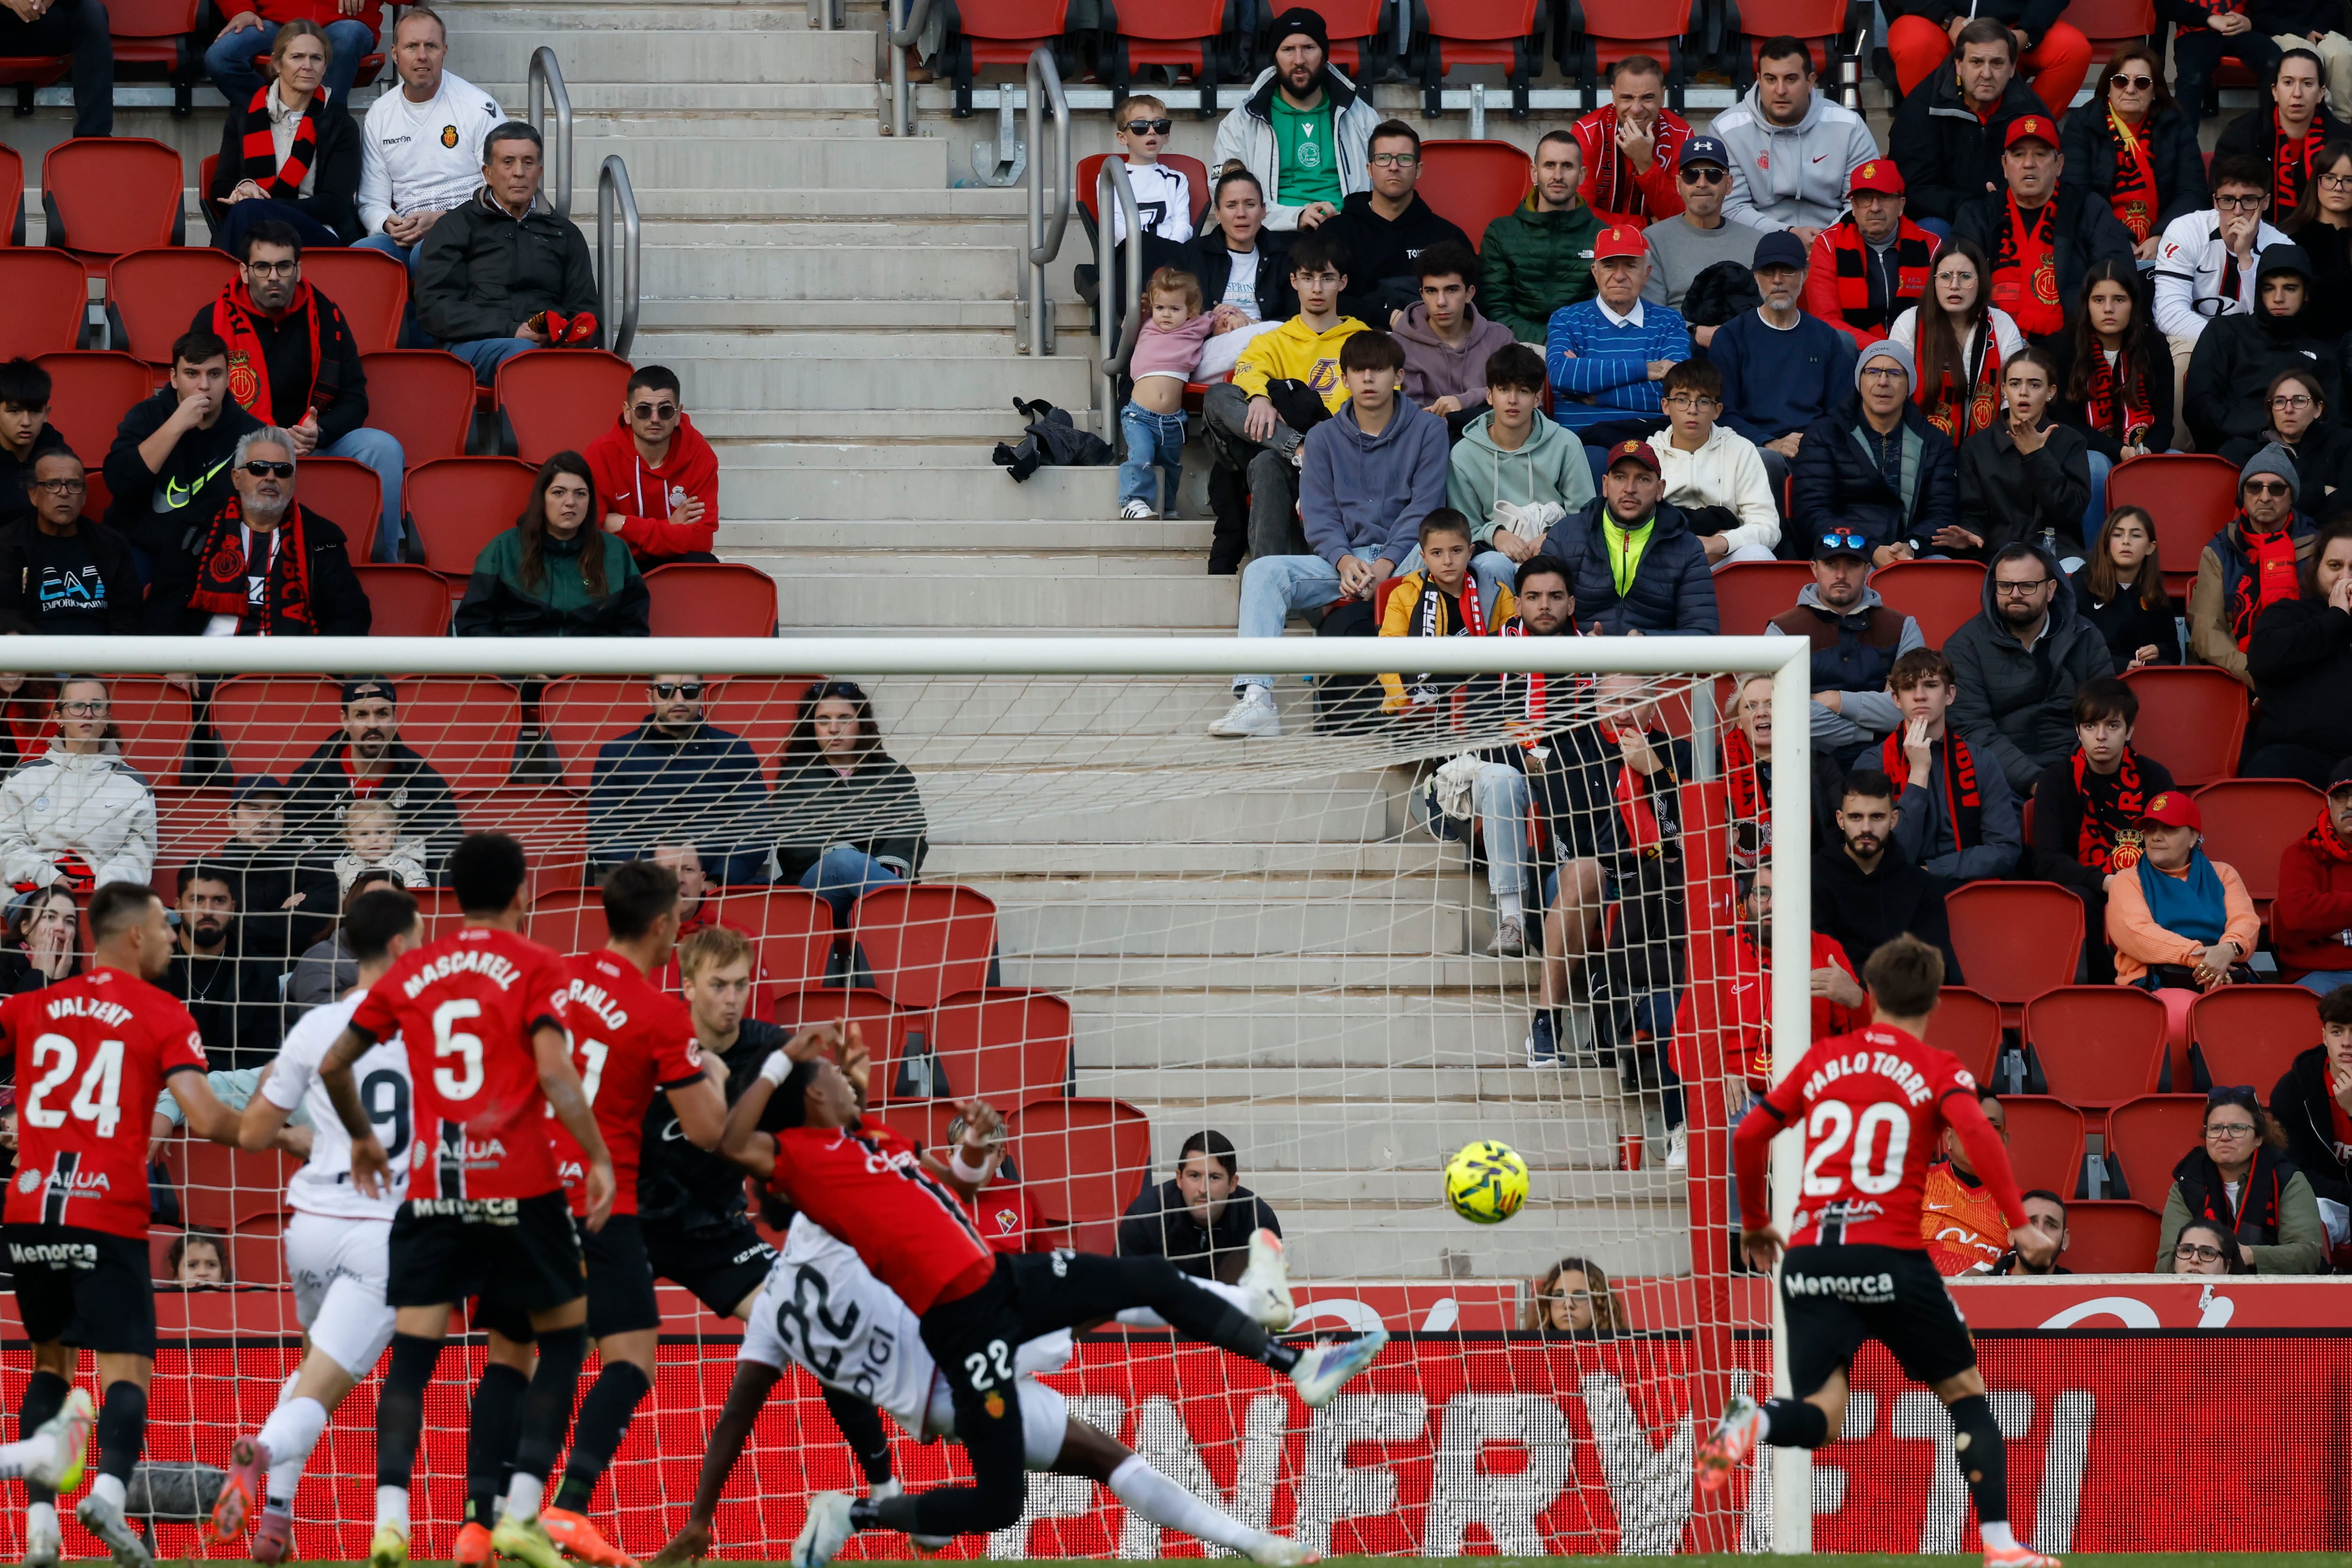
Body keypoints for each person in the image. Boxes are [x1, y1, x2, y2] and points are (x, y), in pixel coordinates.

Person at [719, 1029, 1383, 1563]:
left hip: (1000, 1283)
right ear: (810, 1101)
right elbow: (728, 1142)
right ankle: (858, 1512)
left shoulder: (872, 1145)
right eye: (831, 1074)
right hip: (961, 1337)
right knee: (1001, 1504)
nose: (844, 1073)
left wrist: (975, 1150)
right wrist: (782, 1059)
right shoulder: (811, 1175)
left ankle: (1292, 1361)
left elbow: (957, 1187)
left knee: (1142, 1278)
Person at [1699, 934, 2059, 1568]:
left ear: (1867, 985)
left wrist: (1755, 1220)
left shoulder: (1823, 1059)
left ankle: (1754, 1418)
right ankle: (2001, 1545)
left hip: (1810, 1255)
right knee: (1966, 1393)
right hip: (1889, 1253)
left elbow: (1752, 1130)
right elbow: (1976, 1126)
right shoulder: (1937, 1066)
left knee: (1821, 1417)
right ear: (1936, 997)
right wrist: (2015, 1220)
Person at [311, 832, 613, 1568]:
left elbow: (334, 1063)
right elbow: (555, 1073)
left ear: (451, 896)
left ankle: (391, 1523)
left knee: (413, 1361)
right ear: (522, 894)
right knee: (566, 1339)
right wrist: (597, 1154)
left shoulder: (415, 971)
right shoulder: (538, 963)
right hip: (520, 1186)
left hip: (434, 1189)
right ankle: (519, 1513)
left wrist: (361, 1137)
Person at [0, 882, 247, 1567]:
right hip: (106, 1210)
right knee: (126, 1368)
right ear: (132, 935)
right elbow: (204, 1116)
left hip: (28, 1212)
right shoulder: (164, 1013)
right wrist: (278, 1135)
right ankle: (108, 1493)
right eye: (165, 927)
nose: (175, 935)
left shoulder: (30, 1006)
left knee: (50, 1365)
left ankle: (40, 1526)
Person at [492, 862, 725, 1562]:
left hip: (526, 1190)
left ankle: (494, 1515)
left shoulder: (554, 975)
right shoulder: (660, 1015)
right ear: (663, 927)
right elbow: (709, 1133)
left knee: (517, 1355)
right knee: (629, 1358)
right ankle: (566, 1507)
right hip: (602, 1200)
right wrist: (717, 1072)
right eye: (680, 919)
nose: (683, 931)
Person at [206, 886, 423, 1566]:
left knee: (310, 1368)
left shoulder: (314, 1026)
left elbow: (252, 1133)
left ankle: (275, 1518)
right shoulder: (435, 1025)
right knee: (321, 1390)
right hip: (383, 1231)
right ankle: (261, 1453)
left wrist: (313, 1144)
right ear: (400, 945)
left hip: (308, 1227)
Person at [1207, 331, 1448, 739]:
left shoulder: (1429, 430)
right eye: (1359, 371)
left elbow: (1425, 508)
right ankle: (1256, 699)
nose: (1369, 379)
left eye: (1379, 370)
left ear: (1399, 376)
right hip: (1344, 562)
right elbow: (1318, 513)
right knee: (1263, 571)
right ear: (1345, 377)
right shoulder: (1322, 437)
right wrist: (1343, 559)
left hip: (1409, 558)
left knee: (1454, 559)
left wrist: (1386, 564)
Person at [195, 224, 405, 561]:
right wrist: (262, 435)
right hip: (242, 446)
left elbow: (355, 398)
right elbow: (201, 401)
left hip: (310, 442)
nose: (273, 276)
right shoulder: (212, 321)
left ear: (298, 269)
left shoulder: (328, 315)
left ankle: (386, 562)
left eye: (284, 266)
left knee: (384, 448)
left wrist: (320, 432)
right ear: (245, 271)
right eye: (262, 267)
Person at [633, 923, 785, 1334]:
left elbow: (822, 1132)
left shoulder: (772, 1050)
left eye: (741, 984)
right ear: (689, 987)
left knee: (810, 1325)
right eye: (718, 985)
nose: (732, 999)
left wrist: (854, 1085)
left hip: (717, 1231)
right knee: (571, 1348)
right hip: (634, 1228)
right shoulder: (652, 1040)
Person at [1199, 230, 1366, 566]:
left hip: (1341, 454)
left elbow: (1379, 404)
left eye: (1327, 278)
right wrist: (1259, 397)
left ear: (1343, 283)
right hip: (1288, 454)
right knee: (1220, 397)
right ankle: (1298, 449)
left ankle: (1270, 581)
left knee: (1265, 461)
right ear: (1294, 281)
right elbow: (1248, 371)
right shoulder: (1274, 338)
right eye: (1308, 278)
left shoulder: (1362, 339)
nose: (1317, 289)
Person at [415, 122, 599, 384]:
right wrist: (512, 330)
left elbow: (588, 312)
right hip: (472, 345)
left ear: (540, 171)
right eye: (508, 162)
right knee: (523, 355)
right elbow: (434, 308)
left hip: (546, 347)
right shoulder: (455, 225)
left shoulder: (565, 233)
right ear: (488, 173)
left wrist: (566, 334)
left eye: (528, 162)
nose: (519, 173)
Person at [145, 428, 373, 637]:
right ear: (237, 478)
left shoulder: (322, 539)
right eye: (258, 468)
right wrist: (180, 665)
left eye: (283, 471)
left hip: (293, 673)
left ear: (293, 481)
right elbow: (163, 607)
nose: (271, 477)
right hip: (207, 669)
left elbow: (351, 615)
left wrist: (319, 670)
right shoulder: (195, 530)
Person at [2028, 677, 2177, 979]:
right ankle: (2104, 989)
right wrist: (2105, 882)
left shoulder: (2156, 777)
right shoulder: (2056, 781)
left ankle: (2158, 982)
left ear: (2129, 731)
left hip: (2148, 885)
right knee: (2078, 899)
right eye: (2090, 726)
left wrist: (2134, 884)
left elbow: (2176, 847)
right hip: (2088, 886)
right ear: (2078, 731)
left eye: (2112, 726)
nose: (2101, 737)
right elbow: (2047, 859)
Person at [1951, 115, 2137, 349]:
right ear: (2004, 166)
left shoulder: (2088, 208)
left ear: (2059, 165)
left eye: (2040, 154)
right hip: (1991, 342)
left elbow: (2119, 278)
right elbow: (1959, 281)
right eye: (2019, 155)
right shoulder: (1978, 214)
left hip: (2074, 344)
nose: (2029, 164)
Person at [1947, 542, 2117, 794]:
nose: (2015, 595)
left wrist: (2076, 774)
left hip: (2081, 771)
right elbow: (1971, 728)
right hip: (1997, 778)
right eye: (2005, 586)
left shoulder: (2086, 636)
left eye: (2027, 586)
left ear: (2050, 590)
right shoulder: (1965, 645)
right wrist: (2035, 781)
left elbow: (2109, 713)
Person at [2107, 790, 2262, 1057]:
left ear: (2193, 837)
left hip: (2224, 977)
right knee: (2184, 1017)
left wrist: (2229, 949)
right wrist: (2205, 961)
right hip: (2153, 982)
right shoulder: (2127, 879)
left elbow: (2245, 921)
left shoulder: (2224, 873)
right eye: (2151, 828)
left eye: (2169, 829)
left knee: (2260, 1019)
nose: (2156, 837)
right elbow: (2138, 934)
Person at [354, 8, 505, 281]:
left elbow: (504, 192)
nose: (422, 56)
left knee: (427, 254)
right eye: (412, 46)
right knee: (360, 258)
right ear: (395, 53)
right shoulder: (380, 113)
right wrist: (388, 225)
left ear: (444, 52)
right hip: (406, 234)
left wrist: (445, 218)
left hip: (470, 227)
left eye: (431, 46)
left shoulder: (477, 106)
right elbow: (371, 201)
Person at [1708, 231, 1859, 501]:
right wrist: (1769, 442)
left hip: (1814, 447)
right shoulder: (1731, 337)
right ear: (1755, 277)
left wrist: (1811, 442)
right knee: (1768, 463)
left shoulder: (1826, 339)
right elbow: (1722, 413)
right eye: (1768, 271)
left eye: (1788, 270)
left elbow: (1841, 413)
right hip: (1753, 447)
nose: (1777, 280)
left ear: (1806, 273)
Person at [589, 675, 771, 887]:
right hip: (644, 892)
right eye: (666, 690)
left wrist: (717, 880)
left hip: (720, 888)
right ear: (650, 696)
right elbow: (606, 835)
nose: (679, 699)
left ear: (702, 696)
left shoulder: (735, 750)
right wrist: (651, 882)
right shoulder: (616, 754)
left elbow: (756, 829)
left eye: (690, 690)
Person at [1789, 341, 1960, 567]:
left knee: (1942, 570)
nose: (1883, 382)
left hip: (1911, 555)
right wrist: (1868, 549)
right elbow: (1813, 512)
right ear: (1860, 380)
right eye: (1872, 372)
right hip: (1843, 553)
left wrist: (1912, 546)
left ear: (1909, 384)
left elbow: (1942, 512)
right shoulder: (1824, 435)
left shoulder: (1934, 441)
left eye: (1894, 373)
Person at [1209, 8, 1377, 231]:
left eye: (1309, 48)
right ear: (1274, 58)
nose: (1299, 60)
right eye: (1288, 49)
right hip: (1273, 235)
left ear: (1324, 54)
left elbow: (1386, 182)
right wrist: (1294, 217)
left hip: (1349, 231)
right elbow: (1223, 190)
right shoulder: (1241, 121)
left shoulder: (1361, 116)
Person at [101, 332, 264, 562]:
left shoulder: (253, 432)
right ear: (174, 378)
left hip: (215, 552)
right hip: (139, 546)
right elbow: (119, 482)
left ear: (229, 378)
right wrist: (176, 426)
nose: (204, 386)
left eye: (215, 374)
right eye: (192, 374)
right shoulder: (146, 415)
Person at [771, 680, 927, 919]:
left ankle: (893, 903)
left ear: (861, 725)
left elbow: (910, 835)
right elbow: (794, 846)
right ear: (811, 727)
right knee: (844, 861)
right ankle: (922, 920)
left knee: (853, 864)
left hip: (880, 887)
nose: (834, 728)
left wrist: (876, 871)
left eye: (845, 719)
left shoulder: (894, 775)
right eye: (823, 720)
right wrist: (851, 858)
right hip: (818, 894)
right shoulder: (794, 778)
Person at [283, 679, 465, 883]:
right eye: (361, 715)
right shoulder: (310, 781)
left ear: (395, 717)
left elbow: (447, 854)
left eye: (382, 713)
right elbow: (288, 847)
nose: (373, 724)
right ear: (345, 720)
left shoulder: (423, 781)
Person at [456, 451, 650, 637]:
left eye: (581, 494)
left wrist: (592, 665)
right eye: (558, 493)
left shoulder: (616, 552)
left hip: (594, 669)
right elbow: (474, 623)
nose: (570, 502)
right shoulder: (502, 550)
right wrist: (519, 663)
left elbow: (634, 629)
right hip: (518, 668)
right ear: (542, 498)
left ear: (591, 501)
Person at [206, 24, 363, 254]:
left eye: (316, 58)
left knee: (249, 212)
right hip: (252, 223)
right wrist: (243, 187)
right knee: (247, 213)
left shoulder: (340, 123)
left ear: (325, 67)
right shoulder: (244, 116)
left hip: (317, 229)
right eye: (297, 57)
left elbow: (335, 204)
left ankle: (228, 286)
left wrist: (264, 207)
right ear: (277, 64)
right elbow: (220, 188)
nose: (307, 66)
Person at [1767, 529, 1922, 761]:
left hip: (1891, 762)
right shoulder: (1782, 630)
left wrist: (1835, 700)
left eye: (1852, 564)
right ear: (1814, 569)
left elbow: (1916, 709)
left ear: (1867, 570)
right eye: (1830, 564)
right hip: (1806, 764)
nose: (1841, 574)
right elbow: (1777, 713)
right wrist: (1870, 731)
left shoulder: (1902, 626)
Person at [1537, 439, 1718, 634]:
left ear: (1660, 490)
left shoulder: (1688, 548)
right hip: (1578, 660)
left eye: (1643, 479)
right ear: (1605, 485)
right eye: (1620, 478)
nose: (1630, 489)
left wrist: (1647, 645)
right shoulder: (1564, 536)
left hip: (1654, 663)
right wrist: (1580, 644)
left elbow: (1703, 632)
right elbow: (1537, 617)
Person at [1877, 647, 2024, 884]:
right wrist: (1918, 773)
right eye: (1908, 688)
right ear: (1896, 699)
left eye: (1931, 685)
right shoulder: (1874, 763)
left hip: (1969, 889)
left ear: (1950, 695)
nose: (1920, 696)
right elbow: (1884, 856)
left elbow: (2005, 849)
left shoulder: (1982, 762)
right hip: (1898, 892)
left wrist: (1931, 871)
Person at [1447, 344, 1595, 578]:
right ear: (1489, 395)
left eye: (1524, 391)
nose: (1513, 400)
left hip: (1556, 545)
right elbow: (1463, 525)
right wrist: (1495, 534)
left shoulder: (1566, 444)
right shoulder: (1464, 454)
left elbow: (1585, 515)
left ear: (1537, 398)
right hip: (1492, 554)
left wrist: (1550, 538)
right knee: (1491, 566)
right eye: (1504, 389)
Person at [2151, 155, 2291, 398]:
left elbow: (2278, 323)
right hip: (2194, 341)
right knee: (2184, 362)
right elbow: (2169, 314)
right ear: (2215, 202)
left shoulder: (2282, 247)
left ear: (2266, 202)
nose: (2237, 212)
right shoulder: (2185, 230)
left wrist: (2246, 257)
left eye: (2249, 201)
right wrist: (2227, 344)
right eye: (2228, 200)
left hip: (2259, 349)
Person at [1888, 19, 2052, 227]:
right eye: (1976, 62)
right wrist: (1969, 209)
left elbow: (2052, 176)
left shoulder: (2031, 111)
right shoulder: (1923, 106)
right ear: (1959, 64)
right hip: (1945, 218)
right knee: (1932, 228)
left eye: (1997, 63)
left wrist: (2006, 204)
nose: (1987, 74)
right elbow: (1913, 187)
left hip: (2011, 215)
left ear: (2012, 68)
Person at [0, 677, 154, 898]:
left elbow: (140, 854)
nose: (88, 714)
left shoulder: (134, 784)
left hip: (107, 901)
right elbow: (6, 844)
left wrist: (99, 887)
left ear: (107, 717)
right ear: (58, 718)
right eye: (78, 706)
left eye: (97, 706)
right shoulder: (22, 778)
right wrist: (49, 878)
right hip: (33, 896)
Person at [1713, 37, 1877, 240]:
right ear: (1759, 79)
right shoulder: (1727, 130)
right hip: (1759, 243)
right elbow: (1730, 207)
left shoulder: (1849, 127)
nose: (1780, 90)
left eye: (1791, 79)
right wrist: (1787, 235)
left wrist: (1826, 241)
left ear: (1810, 82)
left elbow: (1865, 200)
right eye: (1771, 79)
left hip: (1835, 241)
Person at [2183, 245, 2340, 455]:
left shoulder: (2322, 354)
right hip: (2229, 451)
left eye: (2290, 288)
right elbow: (2200, 404)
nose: (2278, 298)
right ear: (2258, 290)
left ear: (2307, 294)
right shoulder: (2225, 332)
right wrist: (2253, 436)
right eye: (2269, 288)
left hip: (2301, 459)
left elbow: (2334, 421)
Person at [2058, 45, 2210, 262]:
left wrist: (2162, 236)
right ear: (2108, 87)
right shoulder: (2083, 124)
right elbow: (2076, 193)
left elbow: (2192, 191)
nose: (2130, 90)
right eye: (2121, 81)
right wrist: (2118, 239)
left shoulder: (2175, 123)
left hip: (2167, 243)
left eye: (2142, 83)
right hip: (2100, 242)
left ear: (2155, 90)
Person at [2156, 1085, 2327, 1273]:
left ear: (2258, 1139)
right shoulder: (2187, 1184)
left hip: (2273, 1293)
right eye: (2215, 1128)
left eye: (2237, 1128)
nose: (2224, 1137)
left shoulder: (2287, 1180)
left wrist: (2247, 1255)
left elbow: (2306, 1255)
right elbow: (2166, 1263)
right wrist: (2209, 1260)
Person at [1813, 771, 1963, 979]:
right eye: (1856, 817)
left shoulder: (1921, 886)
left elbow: (1935, 967)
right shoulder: (1812, 878)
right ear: (1840, 820)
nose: (1866, 828)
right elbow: (1813, 959)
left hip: (1900, 1005)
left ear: (1894, 820)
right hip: (1832, 1003)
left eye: (1877, 817)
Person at [2189, 442, 2316, 687]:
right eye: (2255, 487)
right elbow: (2206, 631)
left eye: (2277, 488)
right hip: (2238, 675)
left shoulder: (2318, 549)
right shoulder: (2219, 550)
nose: (2265, 497)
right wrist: (2254, 673)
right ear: (2243, 495)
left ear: (2293, 496)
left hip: (2305, 677)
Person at [1543, 226, 1688, 438]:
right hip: (1582, 447)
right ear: (1595, 272)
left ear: (1646, 273)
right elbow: (1562, 376)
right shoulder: (1566, 319)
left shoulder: (1670, 322)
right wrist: (1645, 369)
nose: (1619, 277)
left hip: (1650, 445)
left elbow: (1679, 396)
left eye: (1630, 266)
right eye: (1609, 266)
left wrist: (1595, 393)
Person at [1322, 120, 1470, 326]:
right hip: (1351, 343)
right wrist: (1382, 314)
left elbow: (1470, 304)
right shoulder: (1334, 233)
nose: (1394, 167)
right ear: (1370, 169)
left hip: (1430, 344)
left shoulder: (1448, 238)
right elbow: (1316, 299)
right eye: (1383, 159)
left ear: (1418, 170)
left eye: (1405, 159)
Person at [1954, 347, 2095, 562]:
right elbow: (1973, 513)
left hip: (2057, 553)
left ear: (2051, 392)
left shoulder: (2070, 441)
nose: (2023, 392)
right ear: (2003, 390)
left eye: (2035, 385)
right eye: (2015, 383)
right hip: (1998, 555)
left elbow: (2070, 510)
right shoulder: (1976, 447)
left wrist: (2037, 455)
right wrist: (1972, 535)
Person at [2247, 511, 2352, 784]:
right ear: (2317, 568)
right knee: (2267, 767)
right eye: (2335, 565)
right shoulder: (2287, 614)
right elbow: (2262, 660)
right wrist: (2336, 618)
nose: (2345, 578)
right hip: (2298, 757)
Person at [1376, 510, 1514, 716]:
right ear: (1424, 557)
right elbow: (1387, 656)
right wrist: (1405, 698)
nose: (1448, 560)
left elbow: (1514, 648)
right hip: (1420, 692)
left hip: (1482, 690)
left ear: (1470, 552)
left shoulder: (1498, 593)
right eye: (1437, 553)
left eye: (1456, 551)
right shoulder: (1404, 596)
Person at [1890, 239, 2025, 446]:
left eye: (1965, 277)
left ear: (1981, 281)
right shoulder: (1909, 324)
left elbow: (2013, 397)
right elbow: (1894, 391)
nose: (1955, 286)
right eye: (1945, 277)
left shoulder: (2002, 324)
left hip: (1988, 451)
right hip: (1920, 450)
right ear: (1934, 281)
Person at [585, 365, 720, 566]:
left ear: (678, 415)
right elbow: (594, 537)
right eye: (643, 410)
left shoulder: (700, 456)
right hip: (621, 565)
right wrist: (670, 527)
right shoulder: (600, 455)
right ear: (627, 413)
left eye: (665, 411)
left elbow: (701, 541)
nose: (654, 419)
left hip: (676, 562)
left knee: (704, 564)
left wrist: (623, 523)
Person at [1652, 358, 1779, 566]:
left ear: (1717, 410)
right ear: (1666, 406)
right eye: (1682, 400)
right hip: (1665, 561)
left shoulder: (1740, 449)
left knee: (1758, 555)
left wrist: (1719, 543)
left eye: (1703, 401)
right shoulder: (1649, 454)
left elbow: (1768, 527)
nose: (1692, 410)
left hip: (1724, 557)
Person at [1480, 131, 1605, 342]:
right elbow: (1495, 309)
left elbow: (1604, 308)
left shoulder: (1602, 235)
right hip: (1516, 348)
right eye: (1549, 165)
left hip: (1582, 349)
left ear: (1582, 175)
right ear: (1534, 173)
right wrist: (1548, 341)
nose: (1558, 176)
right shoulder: (1501, 233)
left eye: (1567, 166)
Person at [0, 450, 139, 635]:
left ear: (84, 496)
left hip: (103, 656)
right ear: (33, 495)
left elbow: (127, 615)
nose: (64, 493)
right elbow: (7, 616)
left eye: (74, 485)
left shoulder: (112, 545)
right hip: (35, 655)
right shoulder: (8, 544)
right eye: (52, 484)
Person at [1117, 1130, 1283, 1284]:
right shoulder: (1145, 1216)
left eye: (1214, 1178)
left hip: (1231, 1311)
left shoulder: (1258, 1219)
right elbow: (1123, 1288)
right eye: (1194, 1176)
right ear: (1179, 1178)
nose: (1203, 1189)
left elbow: (1271, 1296)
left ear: (1233, 1183)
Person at [165, 863, 286, 1072]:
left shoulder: (259, 971)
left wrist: (201, 1063)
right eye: (197, 900)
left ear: (233, 908)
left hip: (228, 1086)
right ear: (178, 906)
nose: (208, 911)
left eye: (219, 901)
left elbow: (261, 1058)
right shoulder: (150, 959)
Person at [1803, 160, 1936, 351]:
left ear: (1901, 205)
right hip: (1854, 354)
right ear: (1854, 207)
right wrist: (1885, 349)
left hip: (1919, 351)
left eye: (1883, 197)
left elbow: (1943, 314)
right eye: (1865, 198)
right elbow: (1826, 320)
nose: (1874, 208)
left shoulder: (1931, 245)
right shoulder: (1828, 245)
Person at [2051, 260, 2174, 466]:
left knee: (2176, 459)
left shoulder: (2154, 346)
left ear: (2134, 303)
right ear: (2086, 304)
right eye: (2099, 300)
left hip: (2145, 449)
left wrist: (2148, 450)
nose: (2109, 309)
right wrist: (2118, 451)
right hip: (2088, 451)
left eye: (2119, 300)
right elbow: (2065, 422)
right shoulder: (2063, 348)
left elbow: (2164, 420)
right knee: (2098, 464)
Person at [1113, 267, 1210, 522]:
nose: (1166, 314)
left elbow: (1218, 317)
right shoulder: (1146, 327)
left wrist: (1231, 315)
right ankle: (1132, 501)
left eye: (1175, 309)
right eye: (1160, 308)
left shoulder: (1196, 328)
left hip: (1174, 420)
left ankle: (1167, 507)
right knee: (1141, 456)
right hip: (1139, 415)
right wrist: (1142, 312)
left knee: (1171, 467)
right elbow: (1127, 329)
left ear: (1190, 311)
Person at [211, 775, 338, 964]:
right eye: (254, 811)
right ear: (232, 820)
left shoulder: (312, 862)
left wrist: (248, 921)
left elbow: (318, 927)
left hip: (300, 972)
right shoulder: (215, 875)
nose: (265, 819)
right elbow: (220, 929)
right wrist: (283, 915)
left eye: (276, 811)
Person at [1639, 135, 1762, 329]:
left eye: (1713, 174)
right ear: (1678, 184)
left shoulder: (1756, 242)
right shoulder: (1654, 239)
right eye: (1691, 175)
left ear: (1729, 184)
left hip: (1744, 346)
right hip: (1678, 347)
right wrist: (1695, 332)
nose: (1702, 183)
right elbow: (1652, 315)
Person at [1884, 0, 2092, 113]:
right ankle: (1927, 130)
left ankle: (2025, 134)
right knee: (1914, 42)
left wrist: (2026, 33)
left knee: (2073, 49)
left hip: (2013, 27)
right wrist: (1948, 19)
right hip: (1942, 24)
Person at [1392, 243, 1514, 428]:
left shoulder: (1500, 339)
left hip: (1493, 444)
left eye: (1451, 290)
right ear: (1422, 295)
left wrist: (1465, 401)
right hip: (1426, 445)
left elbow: (1524, 396)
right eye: (1432, 291)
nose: (1441, 302)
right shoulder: (1398, 345)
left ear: (1469, 293)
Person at [2216, 50, 2352, 213]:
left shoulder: (2344, 140)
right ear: (2275, 91)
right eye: (2288, 83)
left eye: (2307, 84)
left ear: (2321, 94)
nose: (2297, 94)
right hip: (2258, 233)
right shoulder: (2240, 134)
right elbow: (2224, 199)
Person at [2270, 988, 2352, 1254]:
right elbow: (2293, 1170)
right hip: (2328, 1201)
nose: (2347, 1042)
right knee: (2309, 1214)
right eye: (2337, 1031)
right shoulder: (2295, 1089)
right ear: (2324, 1037)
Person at [1570, 56, 1692, 223]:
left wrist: (1645, 164)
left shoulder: (1682, 135)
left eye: (1648, 97)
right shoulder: (1587, 133)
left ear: (1663, 97)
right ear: (1614, 96)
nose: (1636, 109)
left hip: (1659, 247)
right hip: (1597, 244)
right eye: (1626, 98)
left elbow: (1682, 217)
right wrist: (1647, 225)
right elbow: (1578, 215)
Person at [204, 0, 376, 111]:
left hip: (344, 25)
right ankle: (270, 116)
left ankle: (326, 124)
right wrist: (240, 9)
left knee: (347, 37)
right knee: (221, 57)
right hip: (276, 23)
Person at [2274, 760, 2352, 992]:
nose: (2349, 804)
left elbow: (2311, 916)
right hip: (2320, 975)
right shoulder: (2303, 852)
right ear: (2329, 803)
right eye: (2341, 796)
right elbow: (2298, 915)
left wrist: (2338, 931)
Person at [2218, 369, 2352, 501]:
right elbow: (2248, 506)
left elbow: (2346, 503)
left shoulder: (2345, 444)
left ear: (2318, 409)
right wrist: (2319, 492)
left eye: (2299, 401)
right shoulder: (2242, 451)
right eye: (2280, 401)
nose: (2289, 410)